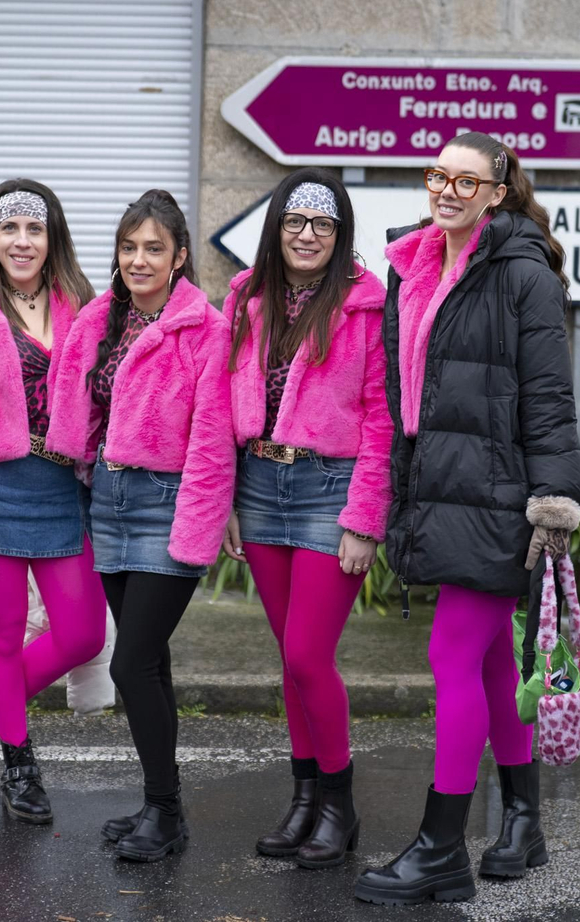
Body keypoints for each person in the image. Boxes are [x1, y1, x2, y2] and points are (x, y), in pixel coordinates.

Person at [354, 132, 580, 905]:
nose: (446, 189)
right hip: (441, 486)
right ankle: (522, 819)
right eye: (436, 175)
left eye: (466, 179)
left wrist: (552, 506)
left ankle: (441, 847)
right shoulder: (417, 263)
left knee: (451, 655)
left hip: (498, 495)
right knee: (487, 664)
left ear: (496, 190)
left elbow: (550, 399)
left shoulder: (523, 275)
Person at [46, 190, 235, 863]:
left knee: (130, 661)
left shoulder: (207, 328)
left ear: (181, 255)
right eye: (129, 247)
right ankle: (163, 810)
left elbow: (214, 439)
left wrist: (198, 531)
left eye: (154, 247)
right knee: (150, 660)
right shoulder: (101, 319)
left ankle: (165, 805)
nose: (139, 259)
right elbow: (79, 410)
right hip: (110, 499)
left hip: (170, 503)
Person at [220, 168, 392, 870]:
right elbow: (220, 407)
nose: (308, 234)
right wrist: (226, 494)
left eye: (322, 223)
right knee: (288, 660)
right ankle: (304, 796)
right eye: (296, 221)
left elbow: (382, 419)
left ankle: (340, 802)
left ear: (340, 232)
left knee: (306, 655)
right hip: (259, 487)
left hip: (331, 489)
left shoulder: (365, 308)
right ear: (276, 227)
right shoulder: (245, 300)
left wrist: (366, 517)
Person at [0, 180, 106, 824]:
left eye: (34, 230)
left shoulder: (84, 306)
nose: (22, 242)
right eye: (10, 230)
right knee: (2, 636)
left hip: (64, 489)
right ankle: (19, 763)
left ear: (52, 236)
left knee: (83, 633)